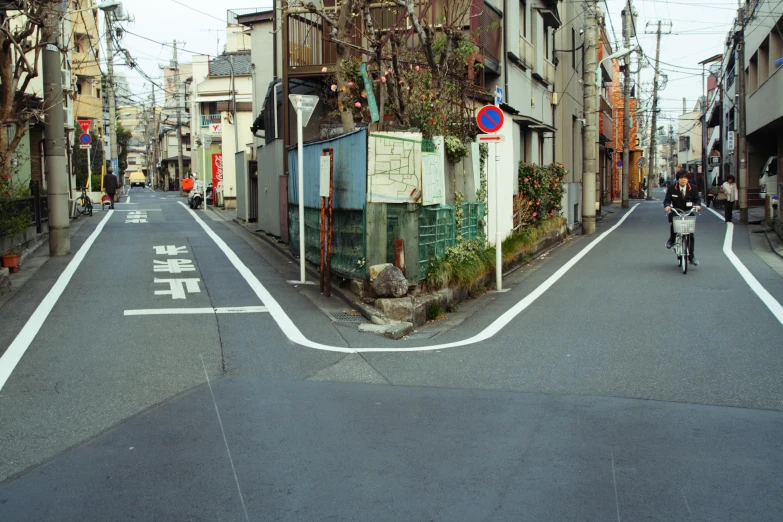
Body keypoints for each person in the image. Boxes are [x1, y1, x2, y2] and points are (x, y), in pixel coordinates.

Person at [664, 170, 702, 266]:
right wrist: (667, 206)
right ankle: (672, 239)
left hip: (689, 211)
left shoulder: (693, 188)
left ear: (687, 179)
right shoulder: (672, 188)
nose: (683, 180)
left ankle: (691, 257)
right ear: (678, 179)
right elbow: (667, 200)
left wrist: (697, 205)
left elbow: (697, 199)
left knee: (691, 235)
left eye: (685, 178)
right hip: (676, 210)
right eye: (681, 178)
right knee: (674, 223)